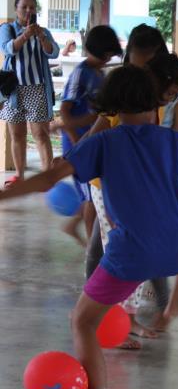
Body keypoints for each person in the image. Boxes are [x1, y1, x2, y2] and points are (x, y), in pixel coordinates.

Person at [0, 64, 178, 389]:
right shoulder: (174, 141)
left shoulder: (102, 142)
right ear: (155, 106)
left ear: (112, 109)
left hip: (132, 255)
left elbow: (47, 180)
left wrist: (6, 194)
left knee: (82, 322)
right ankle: (177, 297)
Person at [87, 52, 178, 343]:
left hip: (132, 191)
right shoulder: (124, 107)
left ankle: (120, 320)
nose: (170, 100)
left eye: (175, 96)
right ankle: (119, 324)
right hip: (107, 188)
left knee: (124, 252)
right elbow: (92, 141)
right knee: (120, 253)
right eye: (169, 93)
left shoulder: (153, 109)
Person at [58, 24, 122, 245]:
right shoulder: (80, 74)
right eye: (108, 54)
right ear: (102, 52)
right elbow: (65, 110)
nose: (108, 58)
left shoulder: (100, 74)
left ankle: (75, 227)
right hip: (79, 145)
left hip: (93, 143)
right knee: (90, 198)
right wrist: (77, 145)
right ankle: (92, 247)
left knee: (94, 194)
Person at [0, 0, 59, 186]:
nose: (28, 11)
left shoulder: (43, 32)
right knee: (17, 135)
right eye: (24, 7)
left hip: (37, 89)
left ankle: (47, 177)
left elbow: (54, 52)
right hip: (14, 91)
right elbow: (8, 49)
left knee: (40, 134)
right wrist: (26, 34)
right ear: (16, 10)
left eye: (32, 7)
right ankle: (20, 176)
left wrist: (41, 36)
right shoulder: (7, 28)